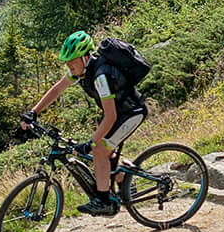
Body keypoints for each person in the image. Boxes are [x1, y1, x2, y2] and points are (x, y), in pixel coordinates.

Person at [22, 31, 148, 216]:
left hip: (131, 113)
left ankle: (103, 200)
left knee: (98, 149)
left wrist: (91, 143)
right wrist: (33, 111)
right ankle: (123, 175)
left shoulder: (100, 76)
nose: (69, 65)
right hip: (118, 113)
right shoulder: (81, 72)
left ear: (85, 57)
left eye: (72, 61)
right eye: (67, 61)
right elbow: (57, 90)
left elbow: (111, 116)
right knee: (103, 150)